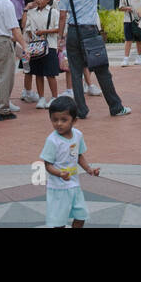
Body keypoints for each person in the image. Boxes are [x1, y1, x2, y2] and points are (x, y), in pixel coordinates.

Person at [60, 0, 131, 118]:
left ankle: (81, 110)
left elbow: (62, 15)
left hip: (72, 31)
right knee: (102, 71)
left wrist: (60, 37)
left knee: (76, 72)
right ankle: (115, 107)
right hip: (90, 31)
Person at [39, 96, 100, 229]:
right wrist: (60, 173)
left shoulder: (78, 135)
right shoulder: (52, 141)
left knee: (81, 216)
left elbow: (79, 156)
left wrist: (89, 169)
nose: (59, 124)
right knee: (59, 222)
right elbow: (47, 165)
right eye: (55, 120)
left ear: (74, 121)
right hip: (58, 188)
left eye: (64, 120)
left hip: (74, 185)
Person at [23, 0, 64, 109]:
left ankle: (54, 97)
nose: (39, 0)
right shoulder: (31, 12)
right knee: (38, 73)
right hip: (35, 46)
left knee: (50, 74)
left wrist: (44, 31)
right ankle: (41, 98)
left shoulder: (54, 12)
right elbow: (25, 26)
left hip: (49, 46)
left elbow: (59, 29)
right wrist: (31, 32)